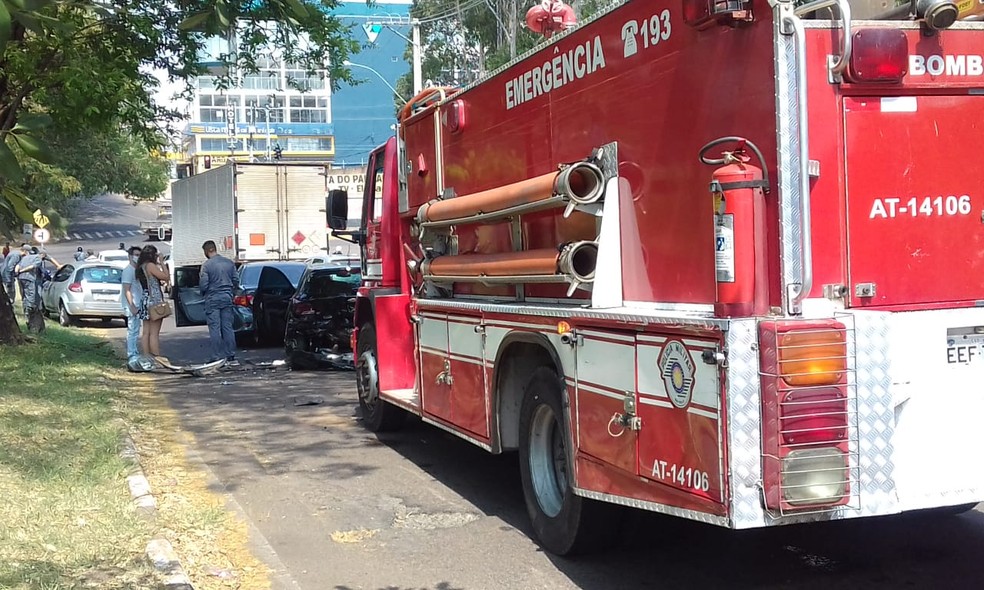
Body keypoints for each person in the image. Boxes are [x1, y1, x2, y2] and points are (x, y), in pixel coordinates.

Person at [200, 240, 240, 365]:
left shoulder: (206, 266)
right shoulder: (229, 263)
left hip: (212, 298)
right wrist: (232, 291)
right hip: (227, 297)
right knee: (227, 327)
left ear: (207, 251)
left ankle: (216, 357)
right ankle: (231, 356)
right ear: (215, 249)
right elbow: (236, 280)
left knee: (215, 328)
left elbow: (203, 284)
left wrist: (203, 293)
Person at [135, 245, 170, 361]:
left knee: (146, 332)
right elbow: (166, 277)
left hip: (145, 299)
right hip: (154, 300)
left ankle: (146, 357)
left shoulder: (140, 267)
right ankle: (157, 358)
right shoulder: (150, 266)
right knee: (154, 333)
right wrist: (162, 262)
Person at [121, 246, 144, 361]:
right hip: (132, 306)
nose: (138, 257)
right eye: (136, 255)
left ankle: (134, 351)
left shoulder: (136, 270)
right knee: (132, 330)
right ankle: (131, 353)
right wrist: (132, 306)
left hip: (137, 304)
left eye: (139, 255)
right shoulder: (128, 270)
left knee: (136, 330)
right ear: (130, 256)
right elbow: (127, 289)